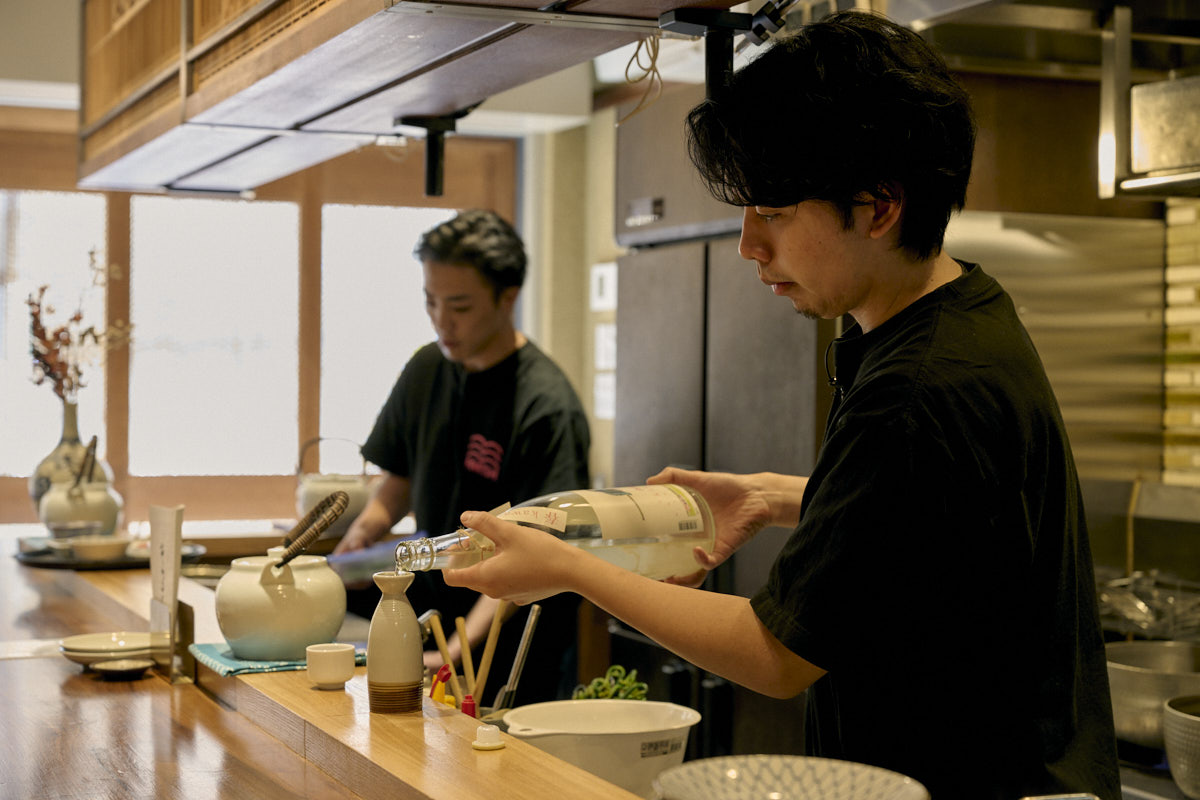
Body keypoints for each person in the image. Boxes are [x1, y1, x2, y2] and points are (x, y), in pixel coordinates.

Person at [442, 11, 1120, 799]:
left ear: (878, 206)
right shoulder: (965, 312)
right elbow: (937, 516)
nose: (748, 244)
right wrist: (775, 496)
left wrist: (571, 569)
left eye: (772, 210)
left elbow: (775, 653)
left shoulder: (914, 389)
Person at [333, 208, 590, 705]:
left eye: (460, 306)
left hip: (507, 636)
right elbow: (399, 479)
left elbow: (538, 551)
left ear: (507, 297)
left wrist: (458, 647)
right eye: (430, 301)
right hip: (436, 610)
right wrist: (361, 538)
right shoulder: (427, 367)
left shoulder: (545, 406)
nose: (441, 320)